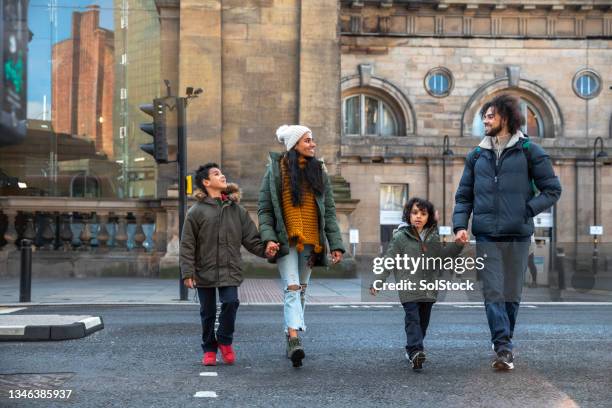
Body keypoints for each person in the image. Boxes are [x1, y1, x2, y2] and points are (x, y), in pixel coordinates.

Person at [453, 94, 561, 370]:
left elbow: (552, 190)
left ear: (506, 117)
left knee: (512, 292)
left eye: (490, 116)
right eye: (484, 117)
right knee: (492, 291)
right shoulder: (477, 155)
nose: (485, 120)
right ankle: (503, 346)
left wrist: (525, 210)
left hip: (518, 234)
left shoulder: (529, 150)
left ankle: (504, 340)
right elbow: (464, 196)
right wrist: (459, 226)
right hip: (486, 234)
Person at [258, 124, 345, 368]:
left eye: (312, 140)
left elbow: (328, 211)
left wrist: (335, 244)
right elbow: (264, 210)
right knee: (292, 288)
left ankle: (290, 331)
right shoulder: (275, 171)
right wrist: (269, 238)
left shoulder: (319, 172)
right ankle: (295, 340)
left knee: (302, 290)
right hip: (286, 241)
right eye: (307, 140)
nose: (313, 144)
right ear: (294, 144)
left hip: (311, 242)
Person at [180, 163, 278, 366]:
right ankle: (209, 349)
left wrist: (265, 250)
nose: (222, 176)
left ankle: (224, 341)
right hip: (203, 270)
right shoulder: (196, 212)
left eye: (222, 173)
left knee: (231, 302)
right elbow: (187, 244)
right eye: (216, 174)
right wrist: (187, 272)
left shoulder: (237, 210)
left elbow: (251, 239)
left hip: (229, 267)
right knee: (207, 313)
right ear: (206, 182)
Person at [370, 197, 464, 370]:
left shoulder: (433, 237)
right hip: (408, 288)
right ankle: (416, 352)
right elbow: (389, 260)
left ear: (429, 217)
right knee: (413, 319)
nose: (418, 216)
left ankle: (412, 349)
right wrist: (378, 282)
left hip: (428, 290)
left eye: (423, 213)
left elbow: (442, 258)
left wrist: (457, 245)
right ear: (408, 215)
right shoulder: (400, 237)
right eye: (414, 213)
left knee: (423, 322)